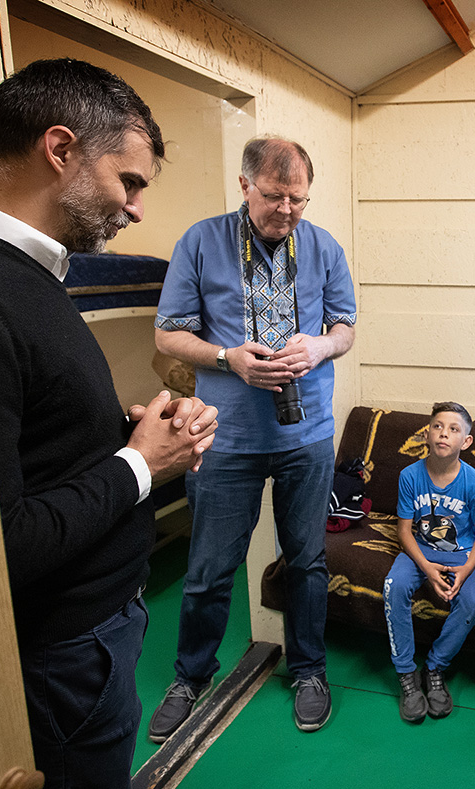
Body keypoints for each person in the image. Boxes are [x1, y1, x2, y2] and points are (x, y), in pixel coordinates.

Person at [0, 58, 218, 789]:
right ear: (61, 149)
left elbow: (39, 441)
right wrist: (144, 466)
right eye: (130, 182)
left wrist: (136, 431)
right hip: (64, 651)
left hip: (100, 628)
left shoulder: (34, 276)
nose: (137, 210)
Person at [151, 137, 356, 738]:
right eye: (274, 197)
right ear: (245, 186)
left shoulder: (323, 247)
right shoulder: (200, 241)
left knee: (307, 560)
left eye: (298, 199)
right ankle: (191, 676)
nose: (287, 209)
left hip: (308, 432)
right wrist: (226, 357)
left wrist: (319, 345)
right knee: (211, 566)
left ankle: (309, 670)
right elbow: (168, 334)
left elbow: (344, 327)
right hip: (226, 437)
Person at [383, 401, 475, 722]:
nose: (444, 434)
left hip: (461, 555)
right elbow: (404, 531)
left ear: (466, 442)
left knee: (472, 600)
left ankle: (435, 666)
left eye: (454, 429)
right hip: (420, 550)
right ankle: (406, 673)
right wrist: (427, 569)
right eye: (438, 426)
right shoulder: (409, 476)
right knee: (393, 586)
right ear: (427, 433)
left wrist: (466, 569)